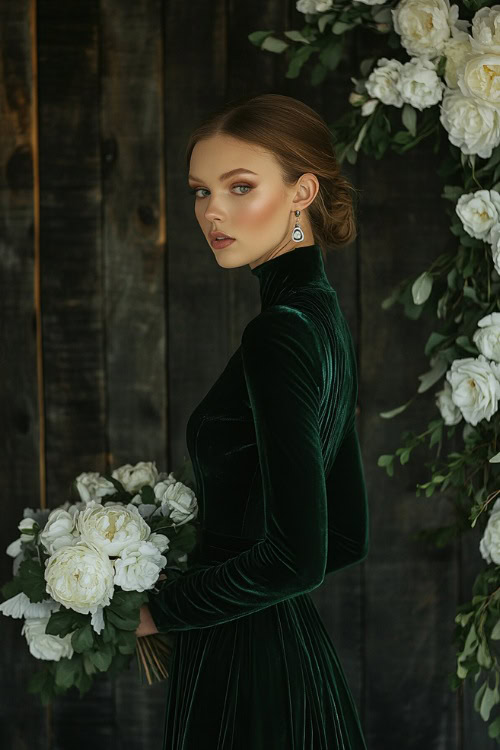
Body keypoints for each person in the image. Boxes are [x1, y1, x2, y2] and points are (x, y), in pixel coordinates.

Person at [136, 93, 370, 749]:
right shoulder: (321, 319)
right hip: (287, 654)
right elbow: (344, 536)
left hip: (245, 672)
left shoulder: (280, 335)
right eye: (200, 190)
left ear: (303, 191)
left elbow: (300, 557)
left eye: (240, 186)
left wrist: (156, 610)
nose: (212, 210)